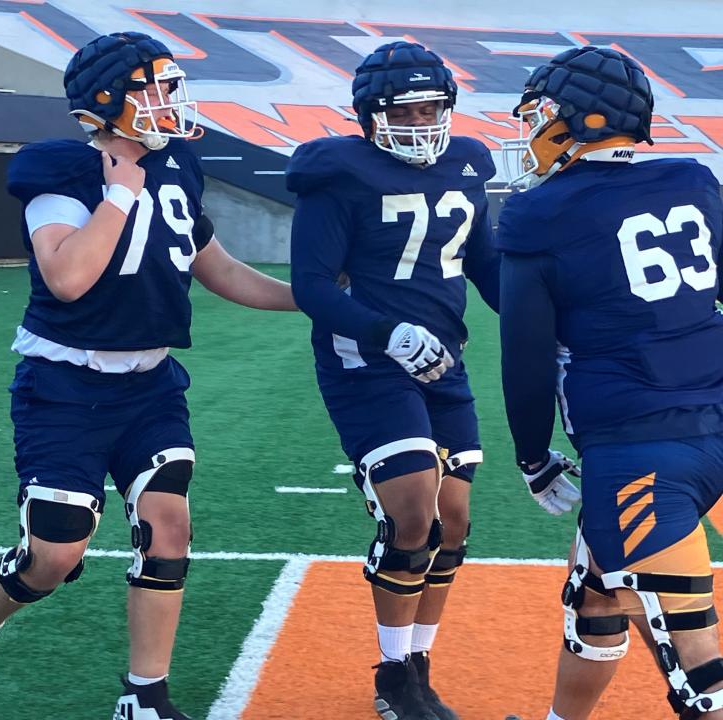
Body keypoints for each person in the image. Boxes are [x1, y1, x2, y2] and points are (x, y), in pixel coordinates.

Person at [0, 32, 295, 719]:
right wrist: (119, 194)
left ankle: (143, 697)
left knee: (169, 523)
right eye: (151, 87)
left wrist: (307, 297)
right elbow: (67, 277)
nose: (168, 100)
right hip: (63, 384)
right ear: (104, 103)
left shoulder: (179, 166)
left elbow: (215, 267)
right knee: (56, 550)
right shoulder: (61, 168)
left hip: (149, 382)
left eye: (169, 84)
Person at [498, 46, 723, 720]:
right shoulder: (692, 179)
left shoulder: (539, 215)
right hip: (707, 414)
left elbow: (527, 357)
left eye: (539, 115)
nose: (530, 132)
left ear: (580, 120)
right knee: (594, 598)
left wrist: (533, 456)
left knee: (700, 672)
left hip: (639, 450)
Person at [288, 41, 502, 720]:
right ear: (369, 116)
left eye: (431, 105)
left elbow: (488, 268)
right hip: (367, 358)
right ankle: (391, 673)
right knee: (413, 507)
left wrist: (552, 327)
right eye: (403, 108)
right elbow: (312, 286)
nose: (420, 119)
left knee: (454, 520)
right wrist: (388, 332)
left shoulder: (467, 164)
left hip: (443, 359)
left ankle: (418, 663)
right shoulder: (337, 173)